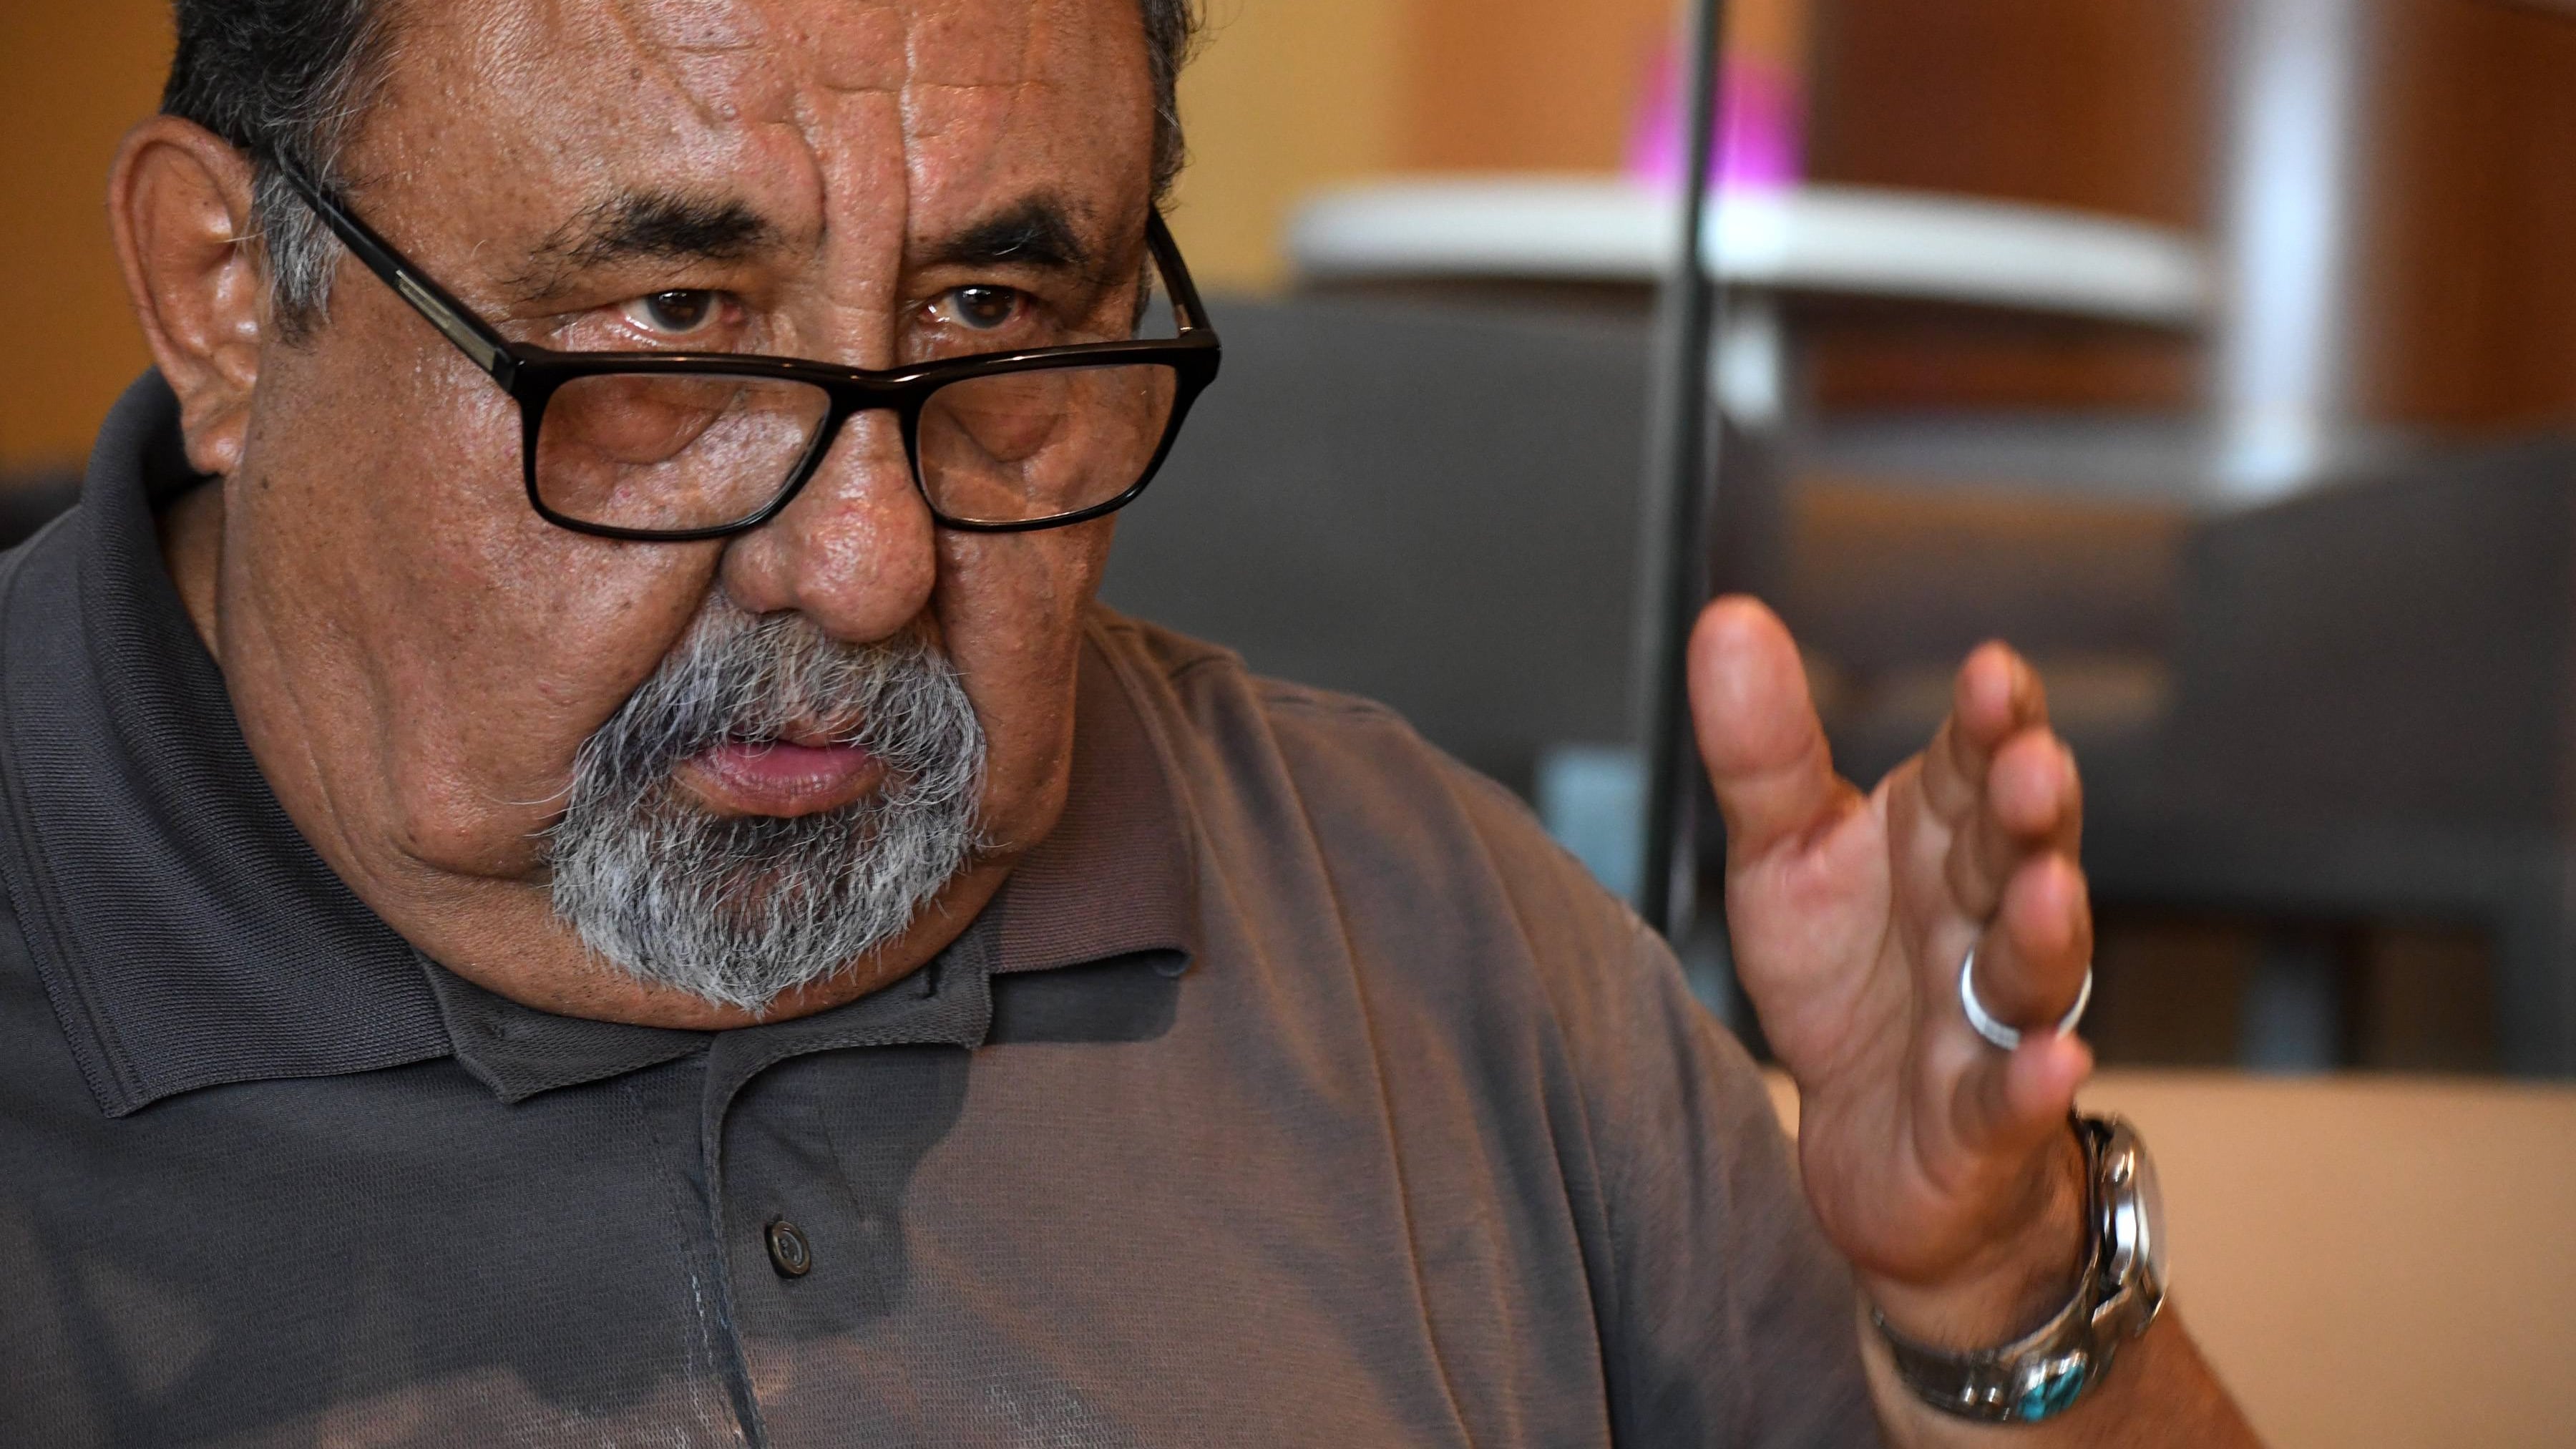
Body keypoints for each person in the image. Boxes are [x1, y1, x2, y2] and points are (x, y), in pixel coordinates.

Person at [0, 1, 2261, 1444]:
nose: (870, 559)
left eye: (996, 315)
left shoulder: (1429, 935)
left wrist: (1994, 1283)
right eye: (676, 324)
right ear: (228, 295)